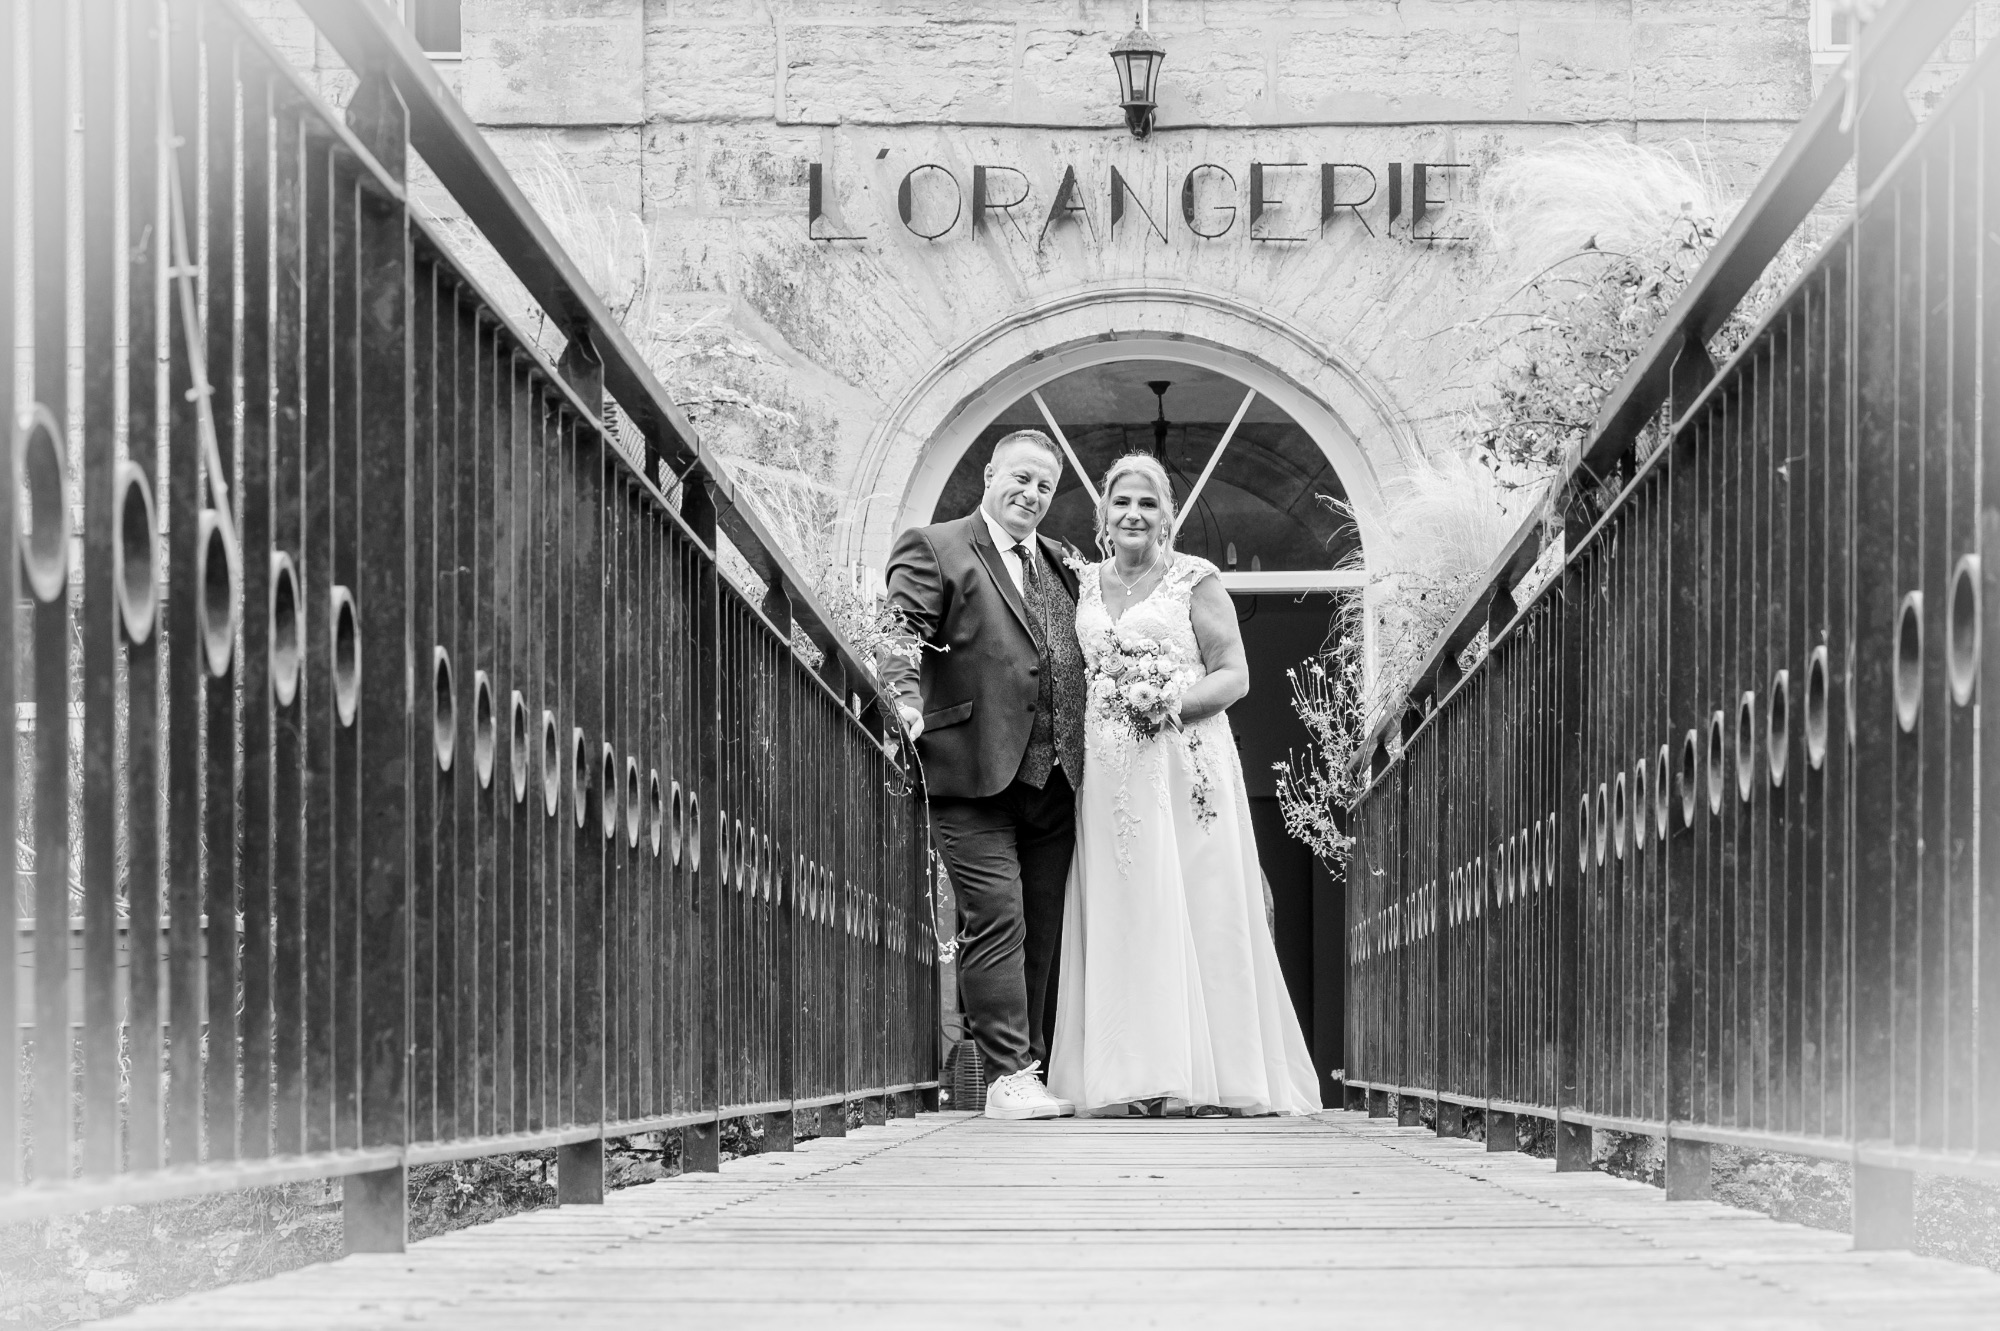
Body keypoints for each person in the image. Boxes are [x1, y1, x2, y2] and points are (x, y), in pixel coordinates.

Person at [1048, 452, 1321, 1118]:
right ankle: (1131, 1076)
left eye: (1147, 502)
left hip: (1186, 764)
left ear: (1167, 513)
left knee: (1202, 905)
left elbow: (1235, 673)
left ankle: (1219, 1075)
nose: (1133, 513)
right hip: (1111, 776)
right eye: (1121, 502)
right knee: (1128, 913)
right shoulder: (1080, 584)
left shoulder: (1195, 580)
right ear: (1103, 513)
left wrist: (1172, 703)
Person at [878, 430, 1086, 1121]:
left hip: (1055, 777)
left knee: (1045, 929)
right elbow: (898, 631)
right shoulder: (934, 546)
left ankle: (1030, 1067)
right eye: (1021, 479)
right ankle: (1006, 1077)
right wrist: (904, 699)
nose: (1031, 494)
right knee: (997, 917)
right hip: (969, 769)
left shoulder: (1060, 562)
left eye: (1045, 487)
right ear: (990, 474)